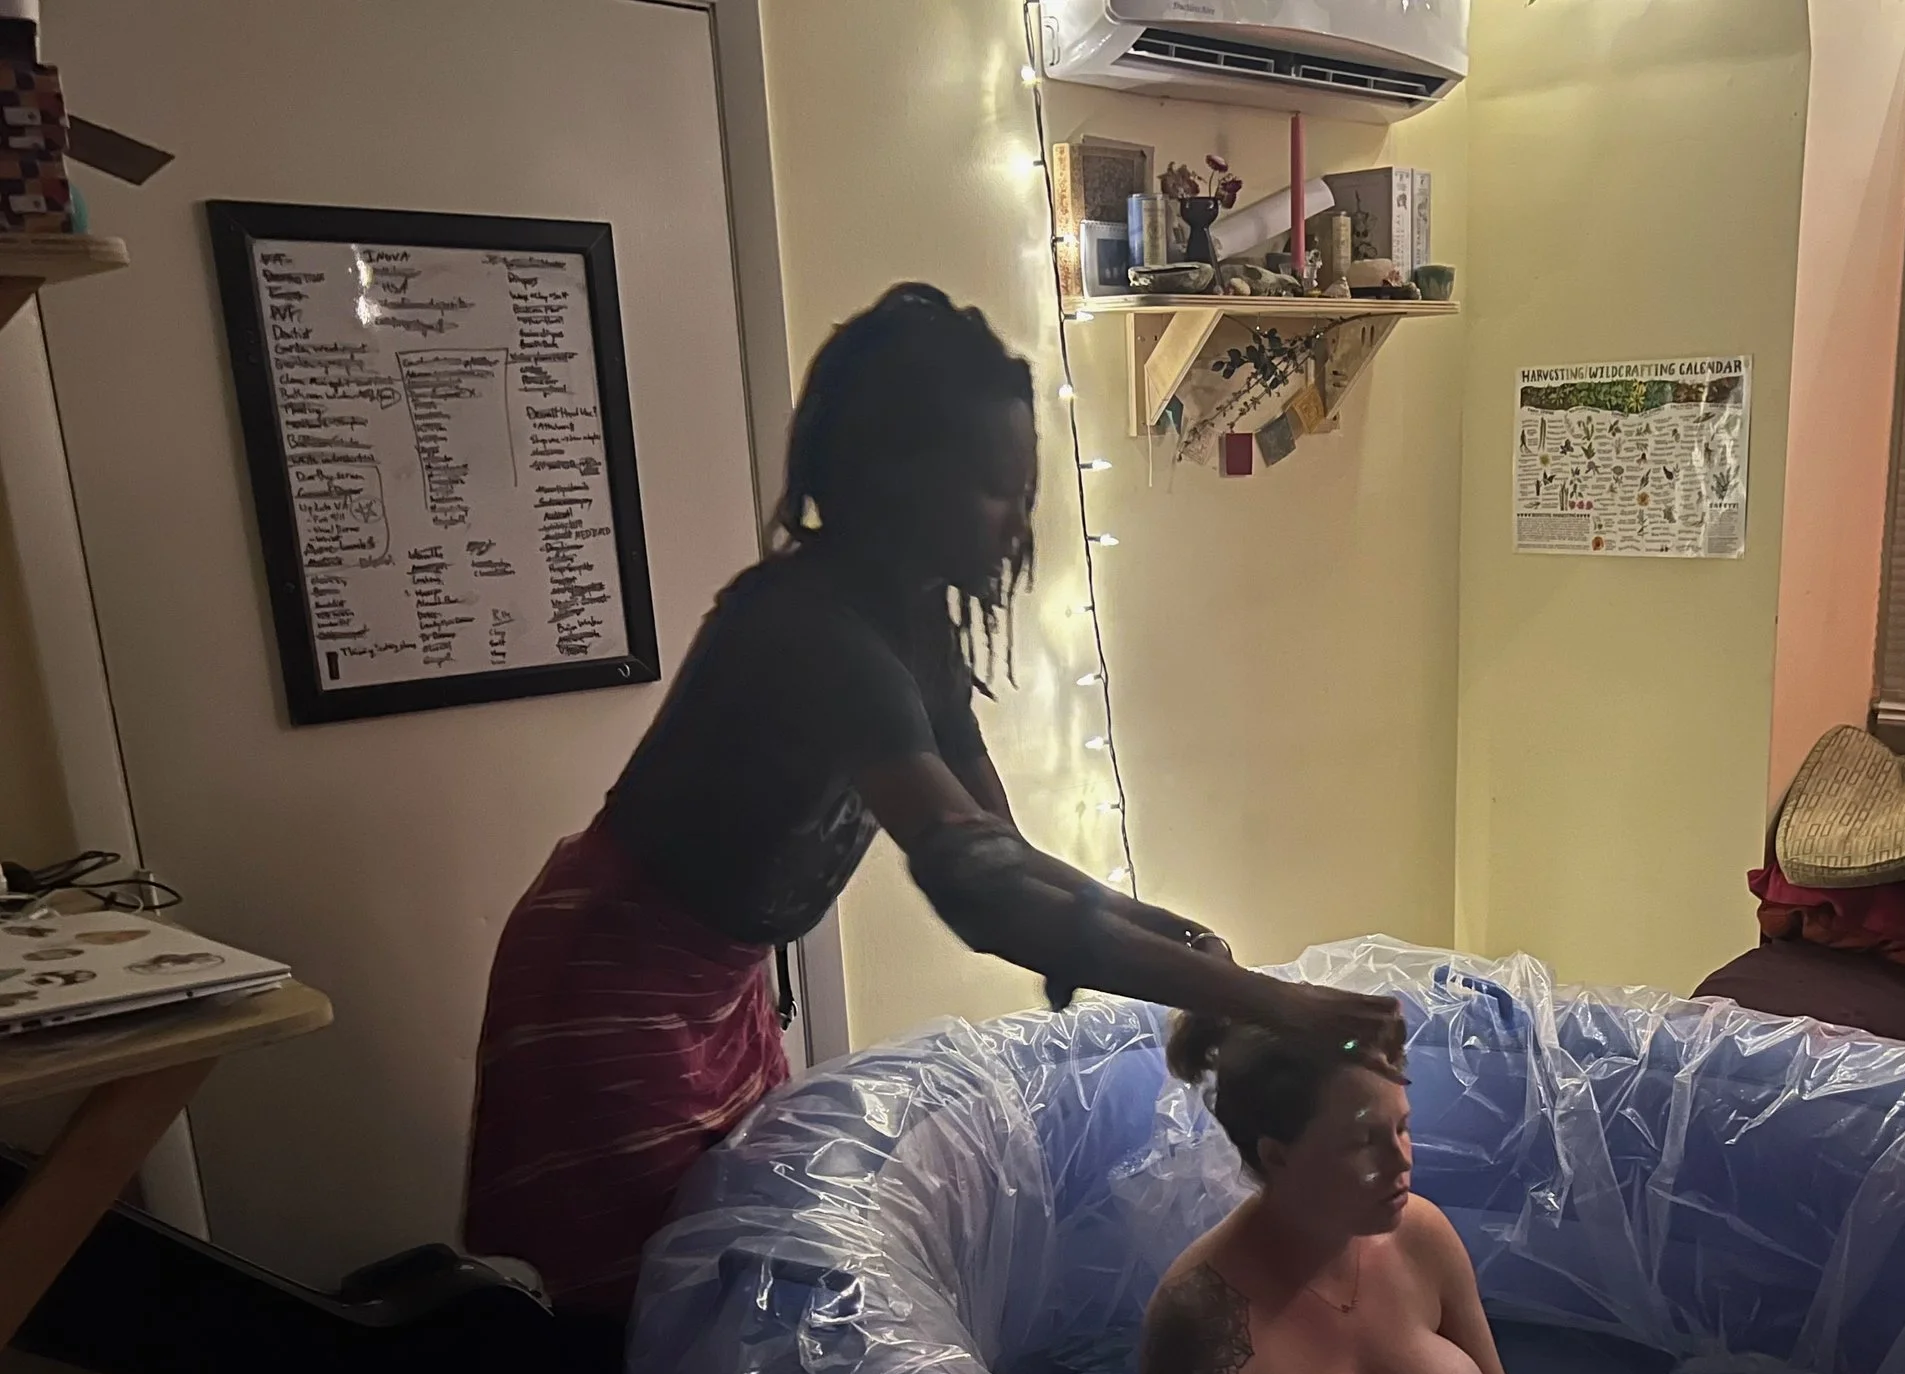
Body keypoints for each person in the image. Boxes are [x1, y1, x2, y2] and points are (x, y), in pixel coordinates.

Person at [463, 283, 1400, 1316]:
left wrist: (1184, 945)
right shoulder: (809, 631)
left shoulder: (913, 627)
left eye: (1024, 486)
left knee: (721, 1268)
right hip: (611, 983)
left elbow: (998, 842)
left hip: (717, 985)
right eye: (995, 490)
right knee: (650, 1310)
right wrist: (1273, 1003)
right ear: (895, 478)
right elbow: (984, 894)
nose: (1018, 520)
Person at [1139, 1013, 1864, 1374]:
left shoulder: (1416, 1235)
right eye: (1364, 1141)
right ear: (1280, 1153)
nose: (1402, 1163)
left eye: (1404, 1126)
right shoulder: (1209, 1322)